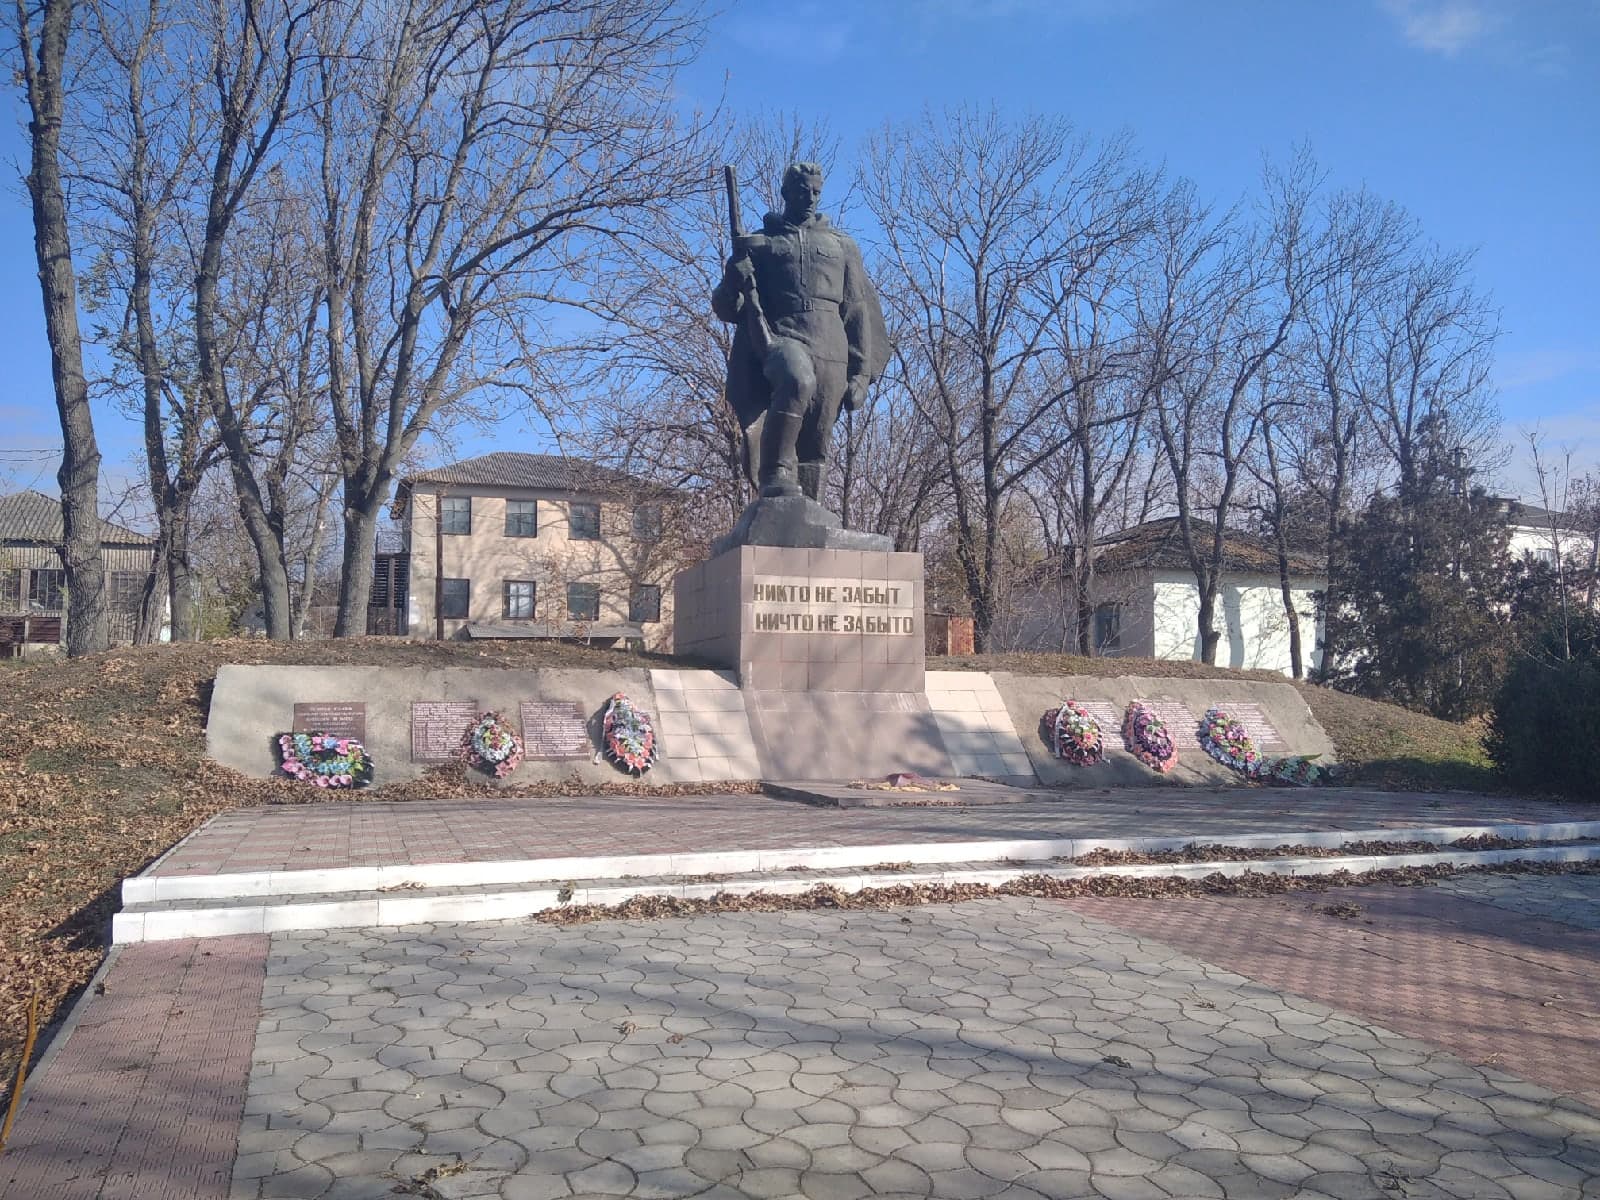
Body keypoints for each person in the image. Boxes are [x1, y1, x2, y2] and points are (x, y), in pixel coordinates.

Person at [712, 162, 889, 502]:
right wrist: (734, 276)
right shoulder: (761, 244)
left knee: (816, 440)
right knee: (797, 380)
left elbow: (856, 309)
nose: (809, 198)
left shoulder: (842, 246)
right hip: (783, 336)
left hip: (832, 346)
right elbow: (726, 308)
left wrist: (861, 373)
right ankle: (774, 473)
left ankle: (808, 512)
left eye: (815, 192)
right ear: (785, 193)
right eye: (802, 190)